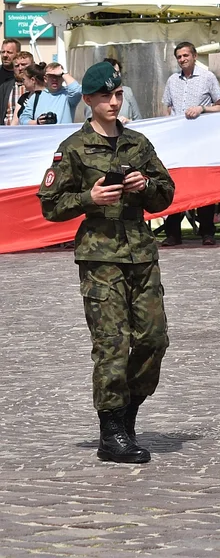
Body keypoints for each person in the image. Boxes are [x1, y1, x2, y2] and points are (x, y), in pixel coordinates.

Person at [38, 61, 176, 463]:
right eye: (105, 97)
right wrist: (89, 199)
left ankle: (128, 414)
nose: (113, 102)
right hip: (99, 257)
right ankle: (111, 431)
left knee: (153, 340)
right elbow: (49, 205)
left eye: (117, 95)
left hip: (141, 251)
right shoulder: (74, 149)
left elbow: (166, 193)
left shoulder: (138, 143)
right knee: (112, 345)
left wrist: (145, 185)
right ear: (88, 101)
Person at [161, 42, 220, 246]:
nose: (182, 59)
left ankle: (207, 231)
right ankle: (173, 232)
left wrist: (202, 109)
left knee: (204, 185)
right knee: (175, 185)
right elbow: (167, 108)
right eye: (179, 57)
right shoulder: (172, 80)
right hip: (178, 143)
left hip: (202, 142)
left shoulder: (208, 77)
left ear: (194, 56)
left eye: (185, 55)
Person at [103, 58, 143, 124]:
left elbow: (138, 120)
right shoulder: (95, 95)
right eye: (112, 73)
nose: (115, 76)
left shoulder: (127, 92)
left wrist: (129, 122)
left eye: (117, 73)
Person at [0, 39, 20, 126]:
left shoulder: (26, 76)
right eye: (2, 52)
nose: (5, 55)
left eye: (9, 52)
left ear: (18, 54)